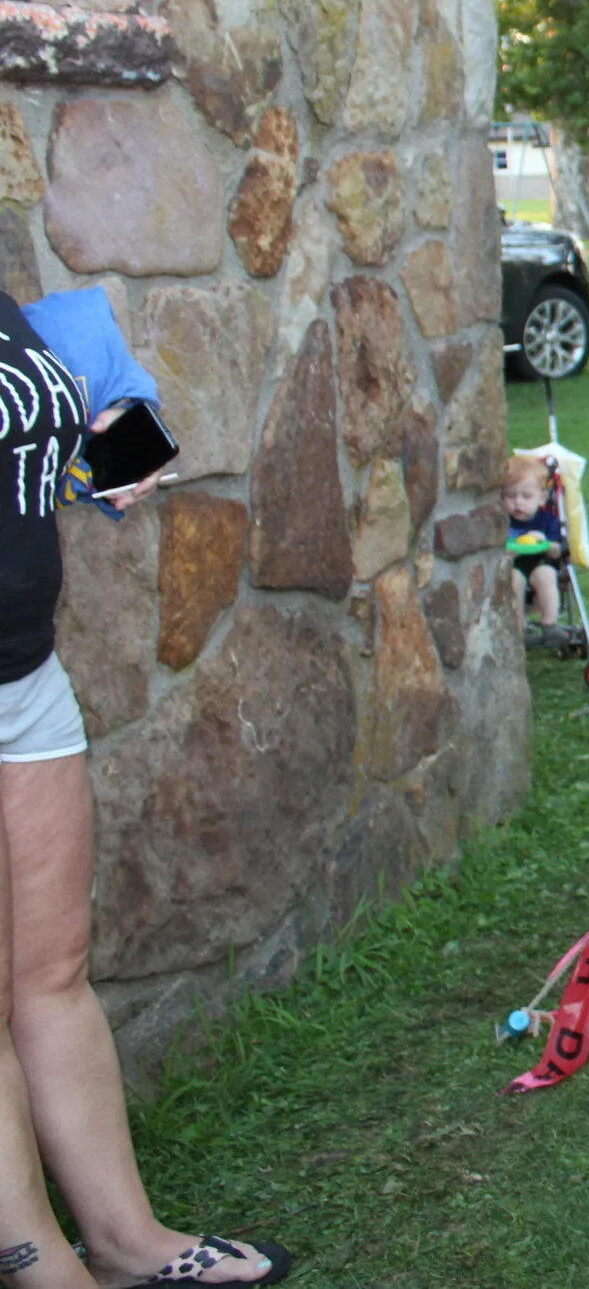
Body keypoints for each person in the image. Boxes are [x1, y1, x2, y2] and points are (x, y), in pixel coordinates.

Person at [0, 290, 289, 1287]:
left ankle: (126, 1239)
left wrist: (114, 433)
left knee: (52, 967)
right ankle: (39, 1261)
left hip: (23, 677)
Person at [502, 455, 566, 632]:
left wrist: (546, 543)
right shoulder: (502, 522)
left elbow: (558, 550)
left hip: (541, 562)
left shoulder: (547, 520)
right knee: (513, 578)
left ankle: (550, 624)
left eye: (526, 496)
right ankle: (519, 627)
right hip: (515, 564)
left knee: (545, 575)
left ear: (542, 498)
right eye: (510, 496)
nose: (518, 502)